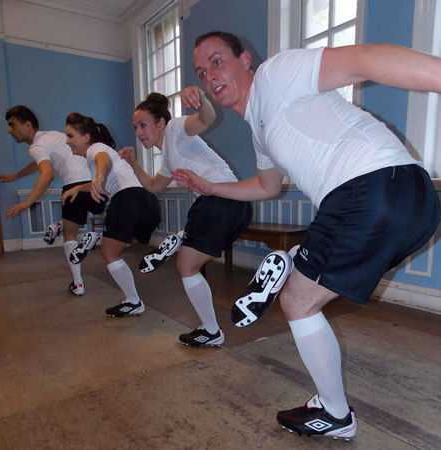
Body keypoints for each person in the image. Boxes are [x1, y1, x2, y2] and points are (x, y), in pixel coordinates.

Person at [172, 31, 441, 440]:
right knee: (302, 297)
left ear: (244, 60)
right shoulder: (260, 130)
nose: (209, 75)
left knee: (297, 300)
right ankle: (294, 260)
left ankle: (335, 413)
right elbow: (266, 186)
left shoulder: (277, 74)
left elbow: (365, 59)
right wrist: (211, 188)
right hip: (411, 204)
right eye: (200, 71)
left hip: (368, 187)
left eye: (216, 61)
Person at [118, 88, 252, 347]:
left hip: (219, 201)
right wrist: (134, 165)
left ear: (161, 123)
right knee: (189, 264)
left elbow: (206, 118)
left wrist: (200, 99)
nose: (138, 133)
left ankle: (212, 331)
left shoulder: (176, 129)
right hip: (235, 205)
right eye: (135, 127)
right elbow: (155, 186)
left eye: (143, 125)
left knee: (186, 267)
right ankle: (182, 238)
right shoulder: (168, 156)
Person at [0, 105, 105, 296]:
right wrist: (16, 175)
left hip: (74, 187)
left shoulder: (37, 146)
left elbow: (47, 174)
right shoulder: (51, 136)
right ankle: (65, 226)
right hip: (96, 184)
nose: (9, 130)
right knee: (83, 216)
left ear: (27, 125)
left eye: (12, 125)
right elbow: (41, 163)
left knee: (70, 237)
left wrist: (27, 203)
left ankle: (78, 284)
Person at [62, 113, 161, 318]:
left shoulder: (95, 150)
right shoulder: (103, 152)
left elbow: (103, 161)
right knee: (126, 242)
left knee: (110, 254)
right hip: (148, 202)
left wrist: (99, 177)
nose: (67, 141)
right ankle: (99, 239)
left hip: (126, 200)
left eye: (71, 136)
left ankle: (133, 302)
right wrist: (79, 188)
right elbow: (104, 173)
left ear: (86, 137)